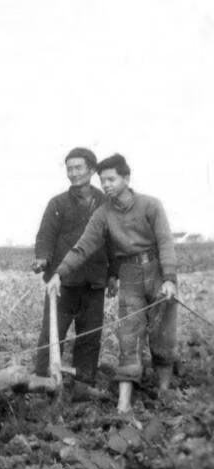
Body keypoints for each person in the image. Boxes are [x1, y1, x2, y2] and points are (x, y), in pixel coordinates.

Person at [46, 153, 178, 413]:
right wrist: (59, 273)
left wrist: (170, 280)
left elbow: (165, 241)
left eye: (111, 179)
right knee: (128, 335)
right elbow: (83, 247)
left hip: (158, 271)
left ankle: (164, 392)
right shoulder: (103, 214)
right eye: (102, 180)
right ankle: (123, 404)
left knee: (162, 334)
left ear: (126, 178)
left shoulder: (151, 205)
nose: (105, 185)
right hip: (129, 274)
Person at [32, 147, 112, 387]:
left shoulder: (105, 203)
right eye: (69, 169)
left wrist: (114, 275)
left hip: (94, 281)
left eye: (78, 168)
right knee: (52, 334)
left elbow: (114, 241)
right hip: (62, 283)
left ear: (91, 170)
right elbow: (45, 236)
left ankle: (83, 383)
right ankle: (43, 381)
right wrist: (43, 259)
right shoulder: (57, 204)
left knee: (90, 335)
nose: (73, 173)